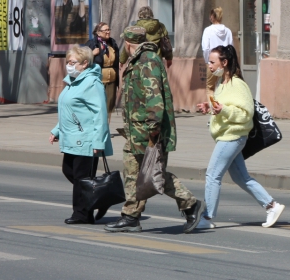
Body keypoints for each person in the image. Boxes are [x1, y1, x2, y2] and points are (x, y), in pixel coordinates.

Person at [105, 26, 204, 234]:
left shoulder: (147, 60)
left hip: (148, 132)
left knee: (154, 174)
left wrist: (153, 129)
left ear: (129, 44)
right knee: (132, 172)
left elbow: (154, 98)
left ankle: (190, 203)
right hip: (135, 131)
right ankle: (130, 216)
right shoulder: (141, 59)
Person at [195, 45, 285, 229]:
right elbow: (223, 106)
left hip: (232, 137)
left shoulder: (238, 85)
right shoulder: (223, 84)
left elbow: (245, 114)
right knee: (241, 178)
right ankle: (272, 206)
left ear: (225, 62)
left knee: (212, 175)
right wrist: (210, 107)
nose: (209, 65)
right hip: (226, 136)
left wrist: (224, 109)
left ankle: (206, 218)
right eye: (209, 62)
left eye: (212, 62)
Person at [49, 45, 114, 224]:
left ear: (85, 64)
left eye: (73, 62)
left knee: (81, 178)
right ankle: (98, 197)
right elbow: (69, 111)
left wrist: (98, 142)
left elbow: (100, 114)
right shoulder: (73, 81)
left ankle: (82, 214)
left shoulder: (92, 83)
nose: (69, 66)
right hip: (71, 137)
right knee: (69, 171)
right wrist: (57, 131)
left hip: (86, 139)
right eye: (68, 62)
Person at [85, 22, 119, 115]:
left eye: (109, 30)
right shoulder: (92, 44)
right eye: (105, 30)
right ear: (98, 33)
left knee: (108, 107)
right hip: (97, 80)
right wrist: (92, 54)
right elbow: (81, 58)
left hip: (111, 80)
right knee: (98, 106)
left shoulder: (112, 43)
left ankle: (106, 128)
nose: (108, 32)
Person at [201, 7, 233, 98]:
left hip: (212, 62)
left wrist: (208, 61)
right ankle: (224, 107)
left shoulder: (208, 30)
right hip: (224, 63)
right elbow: (231, 48)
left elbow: (206, 48)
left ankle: (213, 108)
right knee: (226, 86)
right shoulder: (228, 31)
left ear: (212, 16)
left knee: (210, 87)